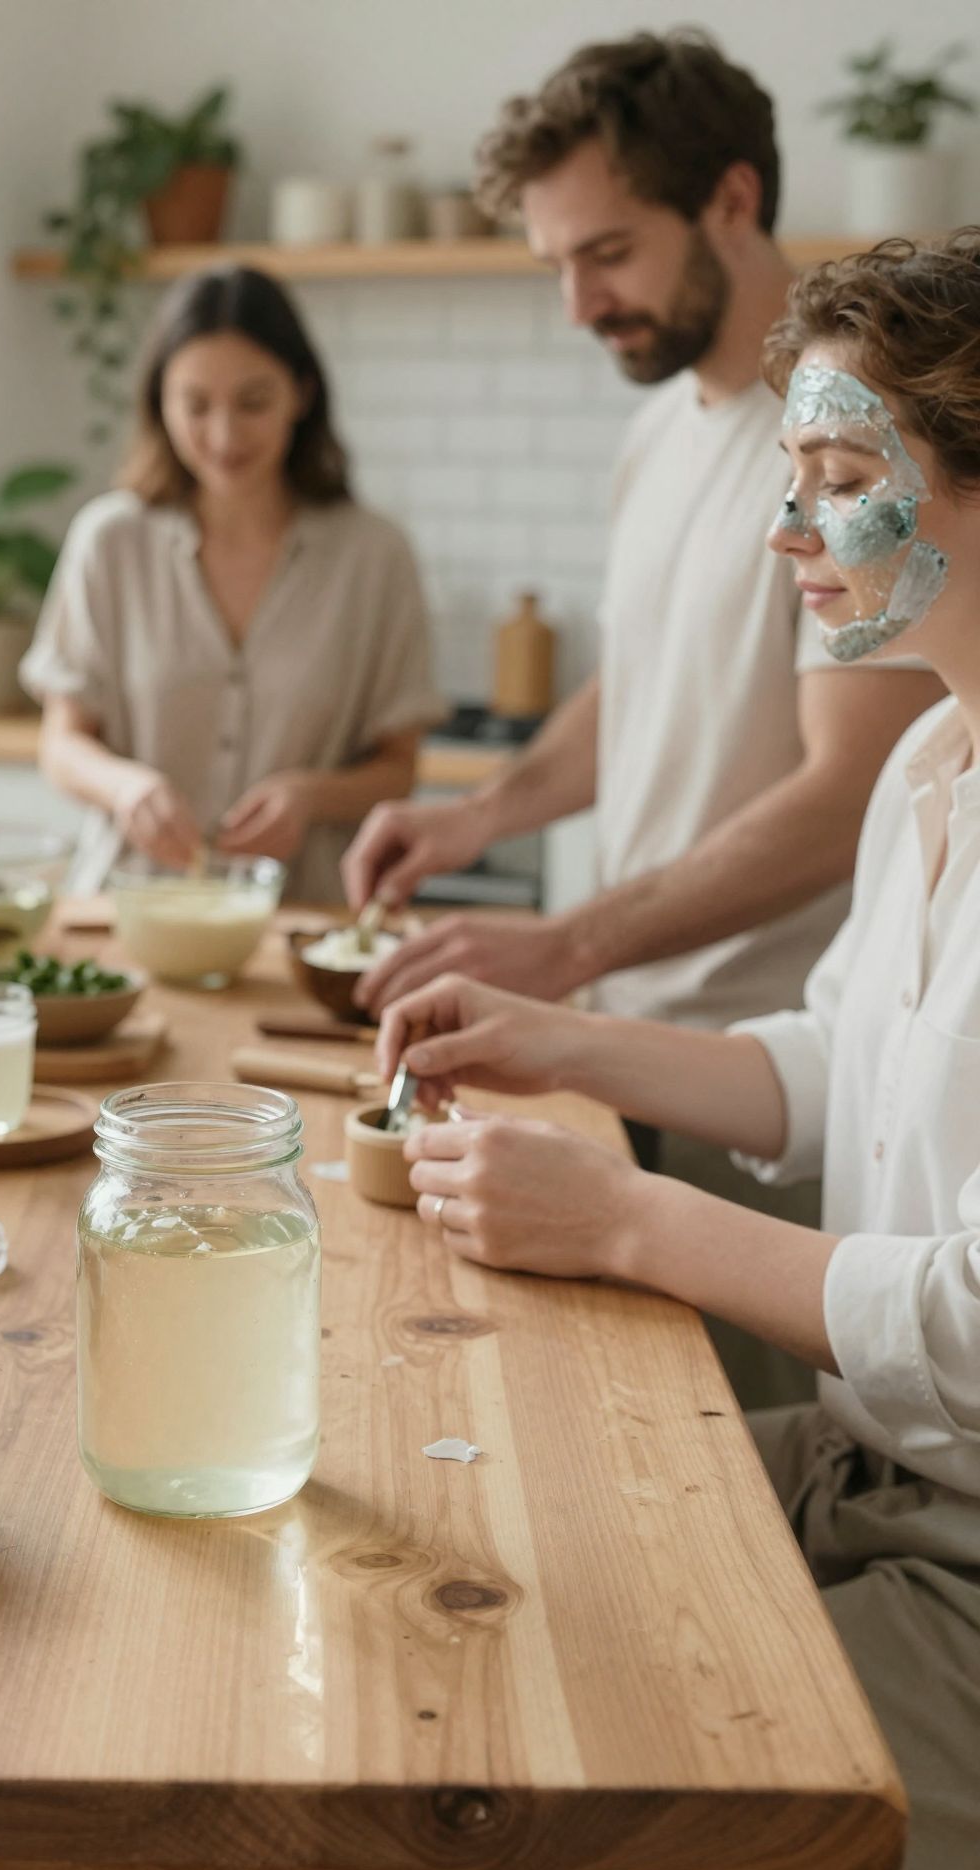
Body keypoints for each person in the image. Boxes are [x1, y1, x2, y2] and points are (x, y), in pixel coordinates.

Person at [370, 229, 980, 1870]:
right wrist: (562, 1033)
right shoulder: (930, 766)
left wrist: (629, 1221)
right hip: (898, 1487)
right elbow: (833, 1063)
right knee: (449, 1662)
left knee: (507, 1835)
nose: (787, 533)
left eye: (845, 481)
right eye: (789, 480)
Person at [343, 33, 943, 1408]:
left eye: (605, 252)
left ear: (731, 200)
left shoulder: (864, 451)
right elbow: (643, 678)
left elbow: (840, 784)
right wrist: (479, 817)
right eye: (555, 263)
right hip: (662, 1052)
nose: (577, 302)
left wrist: (565, 943)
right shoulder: (668, 430)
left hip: (775, 1090)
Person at [24, 263, 444, 901]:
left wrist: (310, 797)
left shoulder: (374, 557)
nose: (223, 436)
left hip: (301, 919)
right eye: (195, 404)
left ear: (300, 393)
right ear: (158, 400)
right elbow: (62, 741)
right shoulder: (110, 542)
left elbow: (398, 768)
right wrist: (126, 788)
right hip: (128, 911)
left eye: (253, 402)